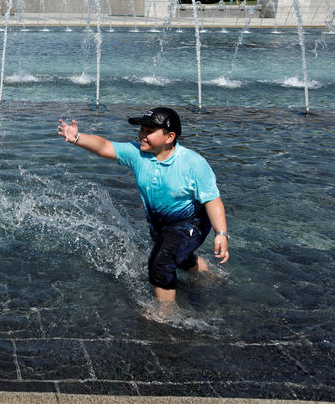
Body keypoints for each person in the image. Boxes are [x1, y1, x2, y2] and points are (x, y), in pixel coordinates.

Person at [57, 107, 229, 307]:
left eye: (149, 132)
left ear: (169, 136)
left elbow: (212, 200)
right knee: (176, 256)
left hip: (191, 223)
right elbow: (105, 146)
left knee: (160, 263)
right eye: (141, 129)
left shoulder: (193, 163)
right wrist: (78, 137)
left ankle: (166, 313)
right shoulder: (138, 155)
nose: (141, 135)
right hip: (161, 225)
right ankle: (207, 277)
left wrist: (221, 233)